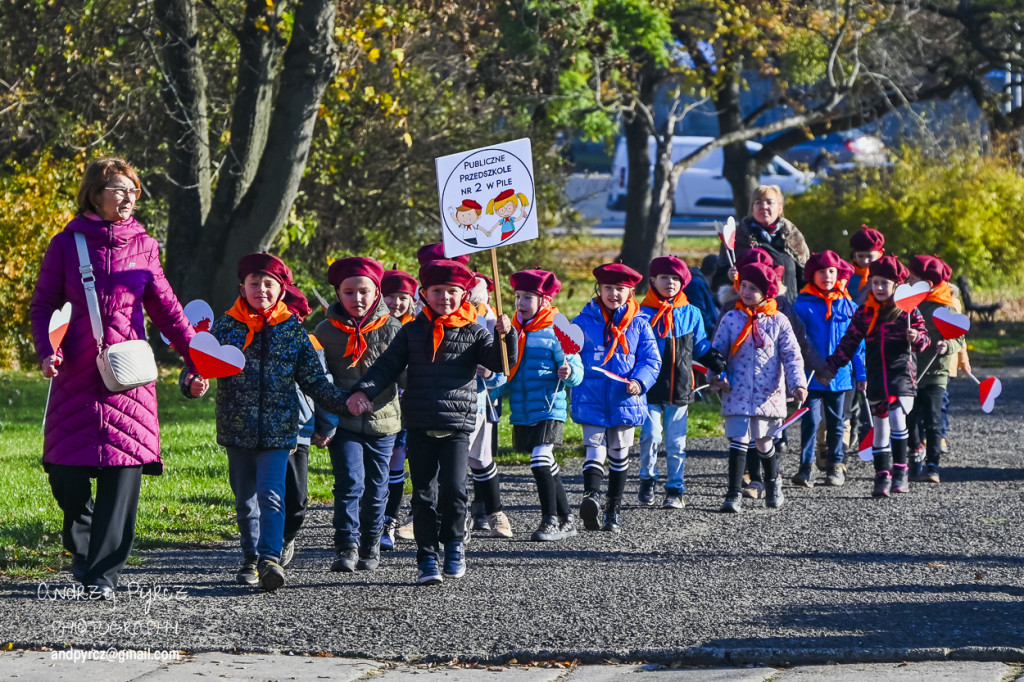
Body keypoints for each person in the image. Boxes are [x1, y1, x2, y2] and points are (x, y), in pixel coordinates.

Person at [29, 156, 208, 600]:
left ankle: (102, 576)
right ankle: (84, 547)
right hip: (75, 374)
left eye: (133, 190)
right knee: (65, 474)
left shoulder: (144, 245)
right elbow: (44, 304)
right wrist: (47, 351)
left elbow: (167, 309)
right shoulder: (66, 244)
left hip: (127, 378)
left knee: (123, 472)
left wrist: (198, 360)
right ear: (95, 194)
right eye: (119, 189)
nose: (129, 197)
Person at [346, 259, 516, 585]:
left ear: (463, 294)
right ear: (424, 294)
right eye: (437, 291)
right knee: (424, 495)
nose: (445, 298)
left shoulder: (475, 331)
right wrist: (363, 390)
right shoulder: (412, 331)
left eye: (452, 291)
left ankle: (453, 546)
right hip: (420, 422)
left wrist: (506, 336)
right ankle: (426, 557)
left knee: (454, 490)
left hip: (457, 425)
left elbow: (500, 363)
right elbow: (386, 367)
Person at [209, 252, 351, 592]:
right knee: (245, 500)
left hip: (279, 430)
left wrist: (346, 402)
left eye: (269, 284)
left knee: (273, 496)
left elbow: (314, 380)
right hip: (237, 428)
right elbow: (199, 366)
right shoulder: (226, 326)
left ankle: (269, 559)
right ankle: (249, 558)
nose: (261, 290)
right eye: (254, 283)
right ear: (242, 287)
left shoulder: (292, 330)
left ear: (281, 290)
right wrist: (191, 381)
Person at [315, 257, 403, 573]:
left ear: (377, 292)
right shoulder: (325, 331)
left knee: (377, 487)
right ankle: (346, 546)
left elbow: (405, 376)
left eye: (364, 291)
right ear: (338, 294)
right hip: (343, 422)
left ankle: (370, 544)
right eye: (349, 292)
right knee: (349, 484)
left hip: (384, 422)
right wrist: (325, 419)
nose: (357, 299)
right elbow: (318, 379)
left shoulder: (394, 329)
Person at [819, 256, 931, 498]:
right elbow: (848, 343)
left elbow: (925, 339)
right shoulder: (865, 312)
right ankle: (882, 475)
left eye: (885, 283)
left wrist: (917, 338)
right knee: (880, 427)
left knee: (898, 419)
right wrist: (831, 368)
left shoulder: (907, 311)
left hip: (901, 376)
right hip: (877, 376)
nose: (879, 288)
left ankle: (900, 471)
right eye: (875, 282)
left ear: (896, 285)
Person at [493, 268, 583, 541]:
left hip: (549, 407)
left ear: (544, 300)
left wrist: (569, 373)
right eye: (517, 296)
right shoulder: (511, 330)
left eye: (528, 297)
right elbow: (505, 371)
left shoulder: (557, 329)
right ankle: (567, 518)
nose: (520, 302)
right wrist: (491, 390)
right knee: (547, 462)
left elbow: (577, 370)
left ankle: (550, 520)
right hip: (522, 409)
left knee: (540, 460)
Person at [571, 262, 661, 533]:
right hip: (591, 395)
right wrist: (567, 367)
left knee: (619, 452)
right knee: (594, 448)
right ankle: (591, 497)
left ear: (630, 291)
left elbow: (650, 360)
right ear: (599, 289)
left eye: (620, 289)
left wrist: (639, 381)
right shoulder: (582, 321)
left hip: (625, 398)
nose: (614, 294)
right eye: (608, 288)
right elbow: (569, 352)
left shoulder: (639, 323)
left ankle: (614, 508)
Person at [710, 262, 807, 512]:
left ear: (767, 292)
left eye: (753, 288)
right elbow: (717, 352)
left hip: (767, 394)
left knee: (764, 442)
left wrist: (798, 383)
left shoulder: (779, 321)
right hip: (736, 391)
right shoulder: (731, 318)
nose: (745, 291)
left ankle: (773, 483)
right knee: (739, 441)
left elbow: (792, 355)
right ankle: (733, 494)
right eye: (743, 285)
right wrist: (717, 375)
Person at [636, 256, 726, 508]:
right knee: (650, 436)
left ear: (683, 282)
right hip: (648, 388)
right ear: (653, 280)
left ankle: (675, 489)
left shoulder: (691, 313)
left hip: (680, 388)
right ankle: (647, 479)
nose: (670, 283)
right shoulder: (640, 313)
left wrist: (717, 364)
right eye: (664, 277)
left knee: (676, 443)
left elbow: (700, 346)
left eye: (676, 278)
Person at [792, 251, 866, 488]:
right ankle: (806, 467)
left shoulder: (849, 306)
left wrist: (861, 373)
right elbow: (799, 342)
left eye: (832, 271)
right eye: (822, 272)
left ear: (839, 274)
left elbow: (857, 344)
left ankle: (835, 465)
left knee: (837, 422)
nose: (827, 276)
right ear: (812, 275)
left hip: (839, 376)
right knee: (810, 421)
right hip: (811, 376)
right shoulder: (801, 306)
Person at [281, 286, 338, 569]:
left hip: (298, 431)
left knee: (297, 501)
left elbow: (322, 385)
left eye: (290, 316)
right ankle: (261, 548)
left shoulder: (311, 345)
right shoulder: (252, 339)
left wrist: (326, 427)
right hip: (258, 433)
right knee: (261, 497)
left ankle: (287, 536)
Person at [905, 255, 964, 484]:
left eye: (912, 278)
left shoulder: (945, 307)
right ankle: (915, 449)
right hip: (910, 371)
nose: (908, 281)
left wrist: (947, 345)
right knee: (909, 418)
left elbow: (959, 339)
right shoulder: (907, 303)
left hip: (935, 372)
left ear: (927, 284)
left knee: (933, 419)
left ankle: (933, 465)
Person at [466, 272, 513, 538]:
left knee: (481, 458)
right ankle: (432, 517)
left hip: (476, 402)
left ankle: (495, 512)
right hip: (438, 401)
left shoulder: (490, 320)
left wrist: (490, 373)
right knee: (442, 466)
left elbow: (503, 370)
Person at [714, 184, 810, 302]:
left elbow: (806, 281)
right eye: (758, 202)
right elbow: (717, 283)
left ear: (780, 208)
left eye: (769, 202)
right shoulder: (738, 239)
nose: (764, 206)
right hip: (750, 311)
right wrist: (729, 277)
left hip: (788, 308)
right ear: (752, 209)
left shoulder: (794, 239)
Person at [379, 267, 418, 550]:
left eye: (403, 297)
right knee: (379, 468)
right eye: (390, 296)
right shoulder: (374, 325)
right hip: (380, 405)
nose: (396, 302)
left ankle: (392, 521)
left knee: (402, 463)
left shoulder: (417, 326)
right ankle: (375, 519)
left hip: (410, 406)